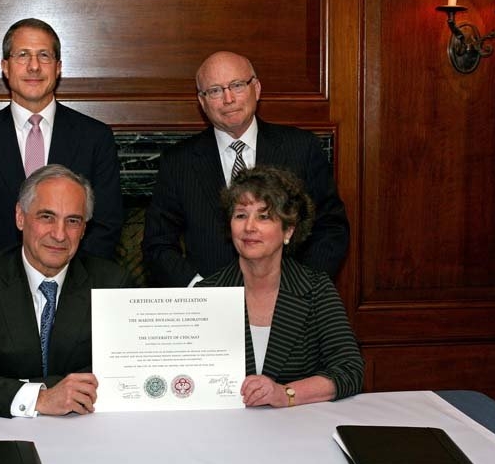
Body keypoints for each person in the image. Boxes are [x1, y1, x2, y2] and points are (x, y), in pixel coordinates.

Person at [0, 165, 133, 418]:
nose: (59, 235)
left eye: (72, 221)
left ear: (84, 229)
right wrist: (39, 397)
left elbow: (124, 374)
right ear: (20, 216)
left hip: (85, 432)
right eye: (47, 217)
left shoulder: (113, 283)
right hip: (2, 436)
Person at [142, 51, 349, 287]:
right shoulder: (179, 161)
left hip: (290, 300)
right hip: (209, 305)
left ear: (257, 89)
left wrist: (301, 285)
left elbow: (331, 227)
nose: (228, 99)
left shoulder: (301, 148)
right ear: (202, 101)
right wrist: (199, 290)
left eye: (237, 85)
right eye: (215, 91)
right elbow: (157, 242)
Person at [0, 18, 122, 271]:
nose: (34, 66)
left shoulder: (96, 137)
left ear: (58, 67)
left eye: (44, 56)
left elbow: (106, 225)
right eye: (23, 55)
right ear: (5, 67)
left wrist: (68, 286)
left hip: (74, 291)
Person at [198, 166, 363, 407]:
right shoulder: (207, 294)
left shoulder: (315, 289)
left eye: (264, 216)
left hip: (298, 429)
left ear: (288, 230)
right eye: (241, 215)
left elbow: (350, 370)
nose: (249, 227)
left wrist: (285, 393)